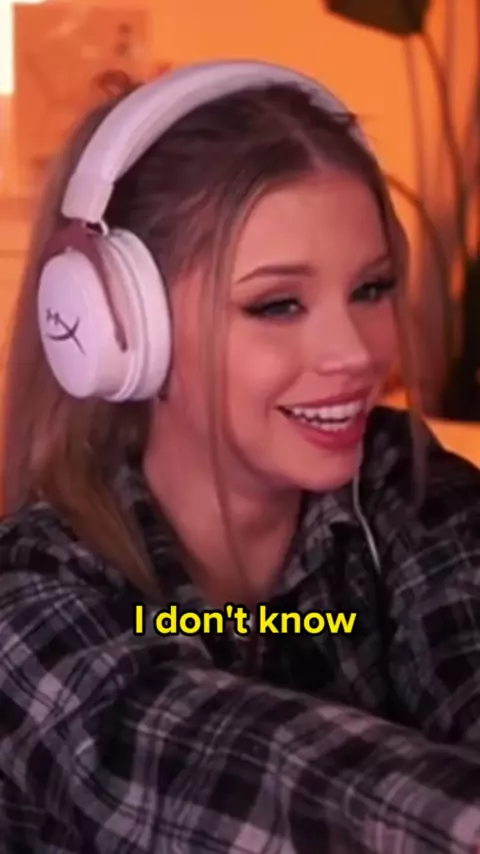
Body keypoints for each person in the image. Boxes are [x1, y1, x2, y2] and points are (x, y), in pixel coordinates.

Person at [0, 59, 480, 854]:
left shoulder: (407, 487)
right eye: (277, 304)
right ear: (124, 331)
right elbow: (256, 781)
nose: (357, 354)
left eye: (372, 289)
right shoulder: (26, 595)